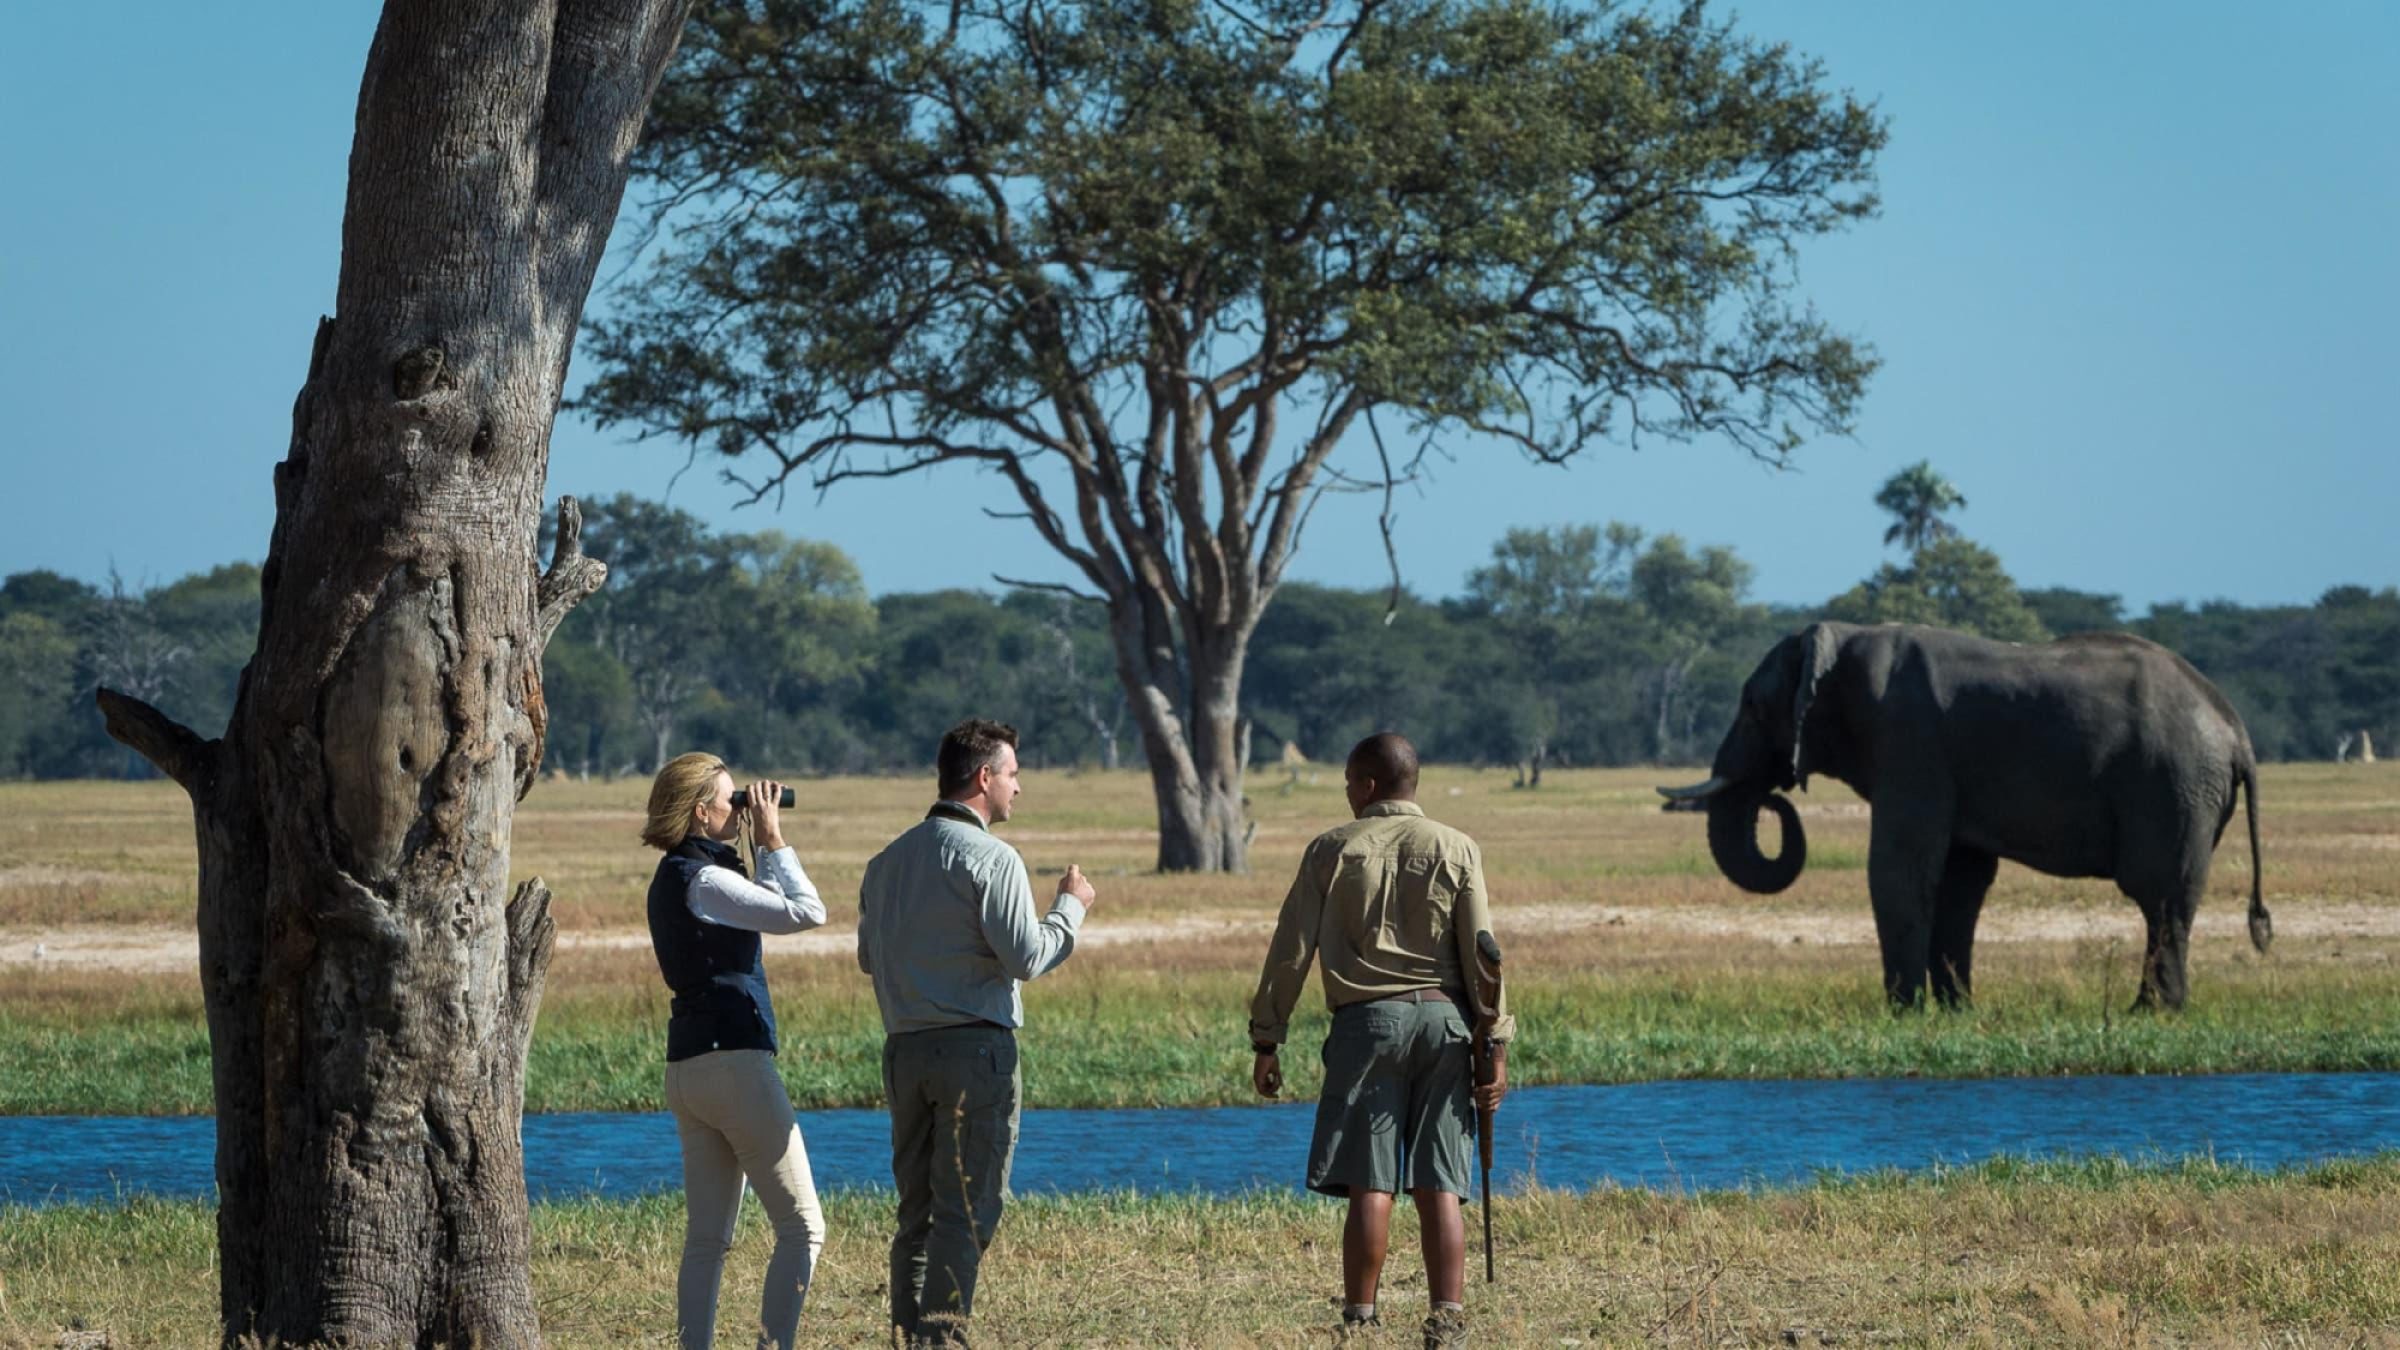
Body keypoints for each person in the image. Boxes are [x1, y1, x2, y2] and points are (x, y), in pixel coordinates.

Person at [1248, 731, 1515, 1349]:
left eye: (1349, 782)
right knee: (1440, 1182)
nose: (1347, 792)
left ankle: (1361, 1321)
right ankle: (1446, 1320)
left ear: (1368, 785)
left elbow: (1290, 951)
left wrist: (1268, 1038)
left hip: (1366, 1027)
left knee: (1371, 1183)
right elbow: (1486, 956)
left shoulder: (1331, 849)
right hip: (1447, 1025)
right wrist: (1496, 1044)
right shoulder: (1458, 847)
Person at [858, 718, 1097, 1348]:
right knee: (964, 1211)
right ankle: (942, 1339)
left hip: (905, 1052)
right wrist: (1069, 907)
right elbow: (1026, 957)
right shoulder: (994, 857)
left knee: (916, 1213)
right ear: (984, 777)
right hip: (975, 1052)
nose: (1019, 787)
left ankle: (910, 1337)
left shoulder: (885, 862)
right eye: (1013, 774)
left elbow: (868, 958)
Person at [642, 752, 830, 1350]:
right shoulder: (707, 880)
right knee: (803, 1228)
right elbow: (806, 912)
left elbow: (763, 908)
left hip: (688, 1067)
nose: (742, 809)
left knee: (706, 1240)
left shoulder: (677, 876)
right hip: (734, 1065)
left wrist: (760, 847)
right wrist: (773, 839)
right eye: (733, 801)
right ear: (701, 813)